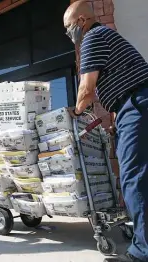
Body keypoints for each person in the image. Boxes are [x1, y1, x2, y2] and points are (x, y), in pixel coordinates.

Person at [63, 1, 148, 261]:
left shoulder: (93, 38)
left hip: (137, 105)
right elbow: (117, 84)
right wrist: (114, 119)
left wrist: (75, 112)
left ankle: (142, 252)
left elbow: (86, 89)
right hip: (135, 104)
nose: (68, 34)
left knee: (133, 178)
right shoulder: (108, 36)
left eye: (68, 27)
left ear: (80, 21)